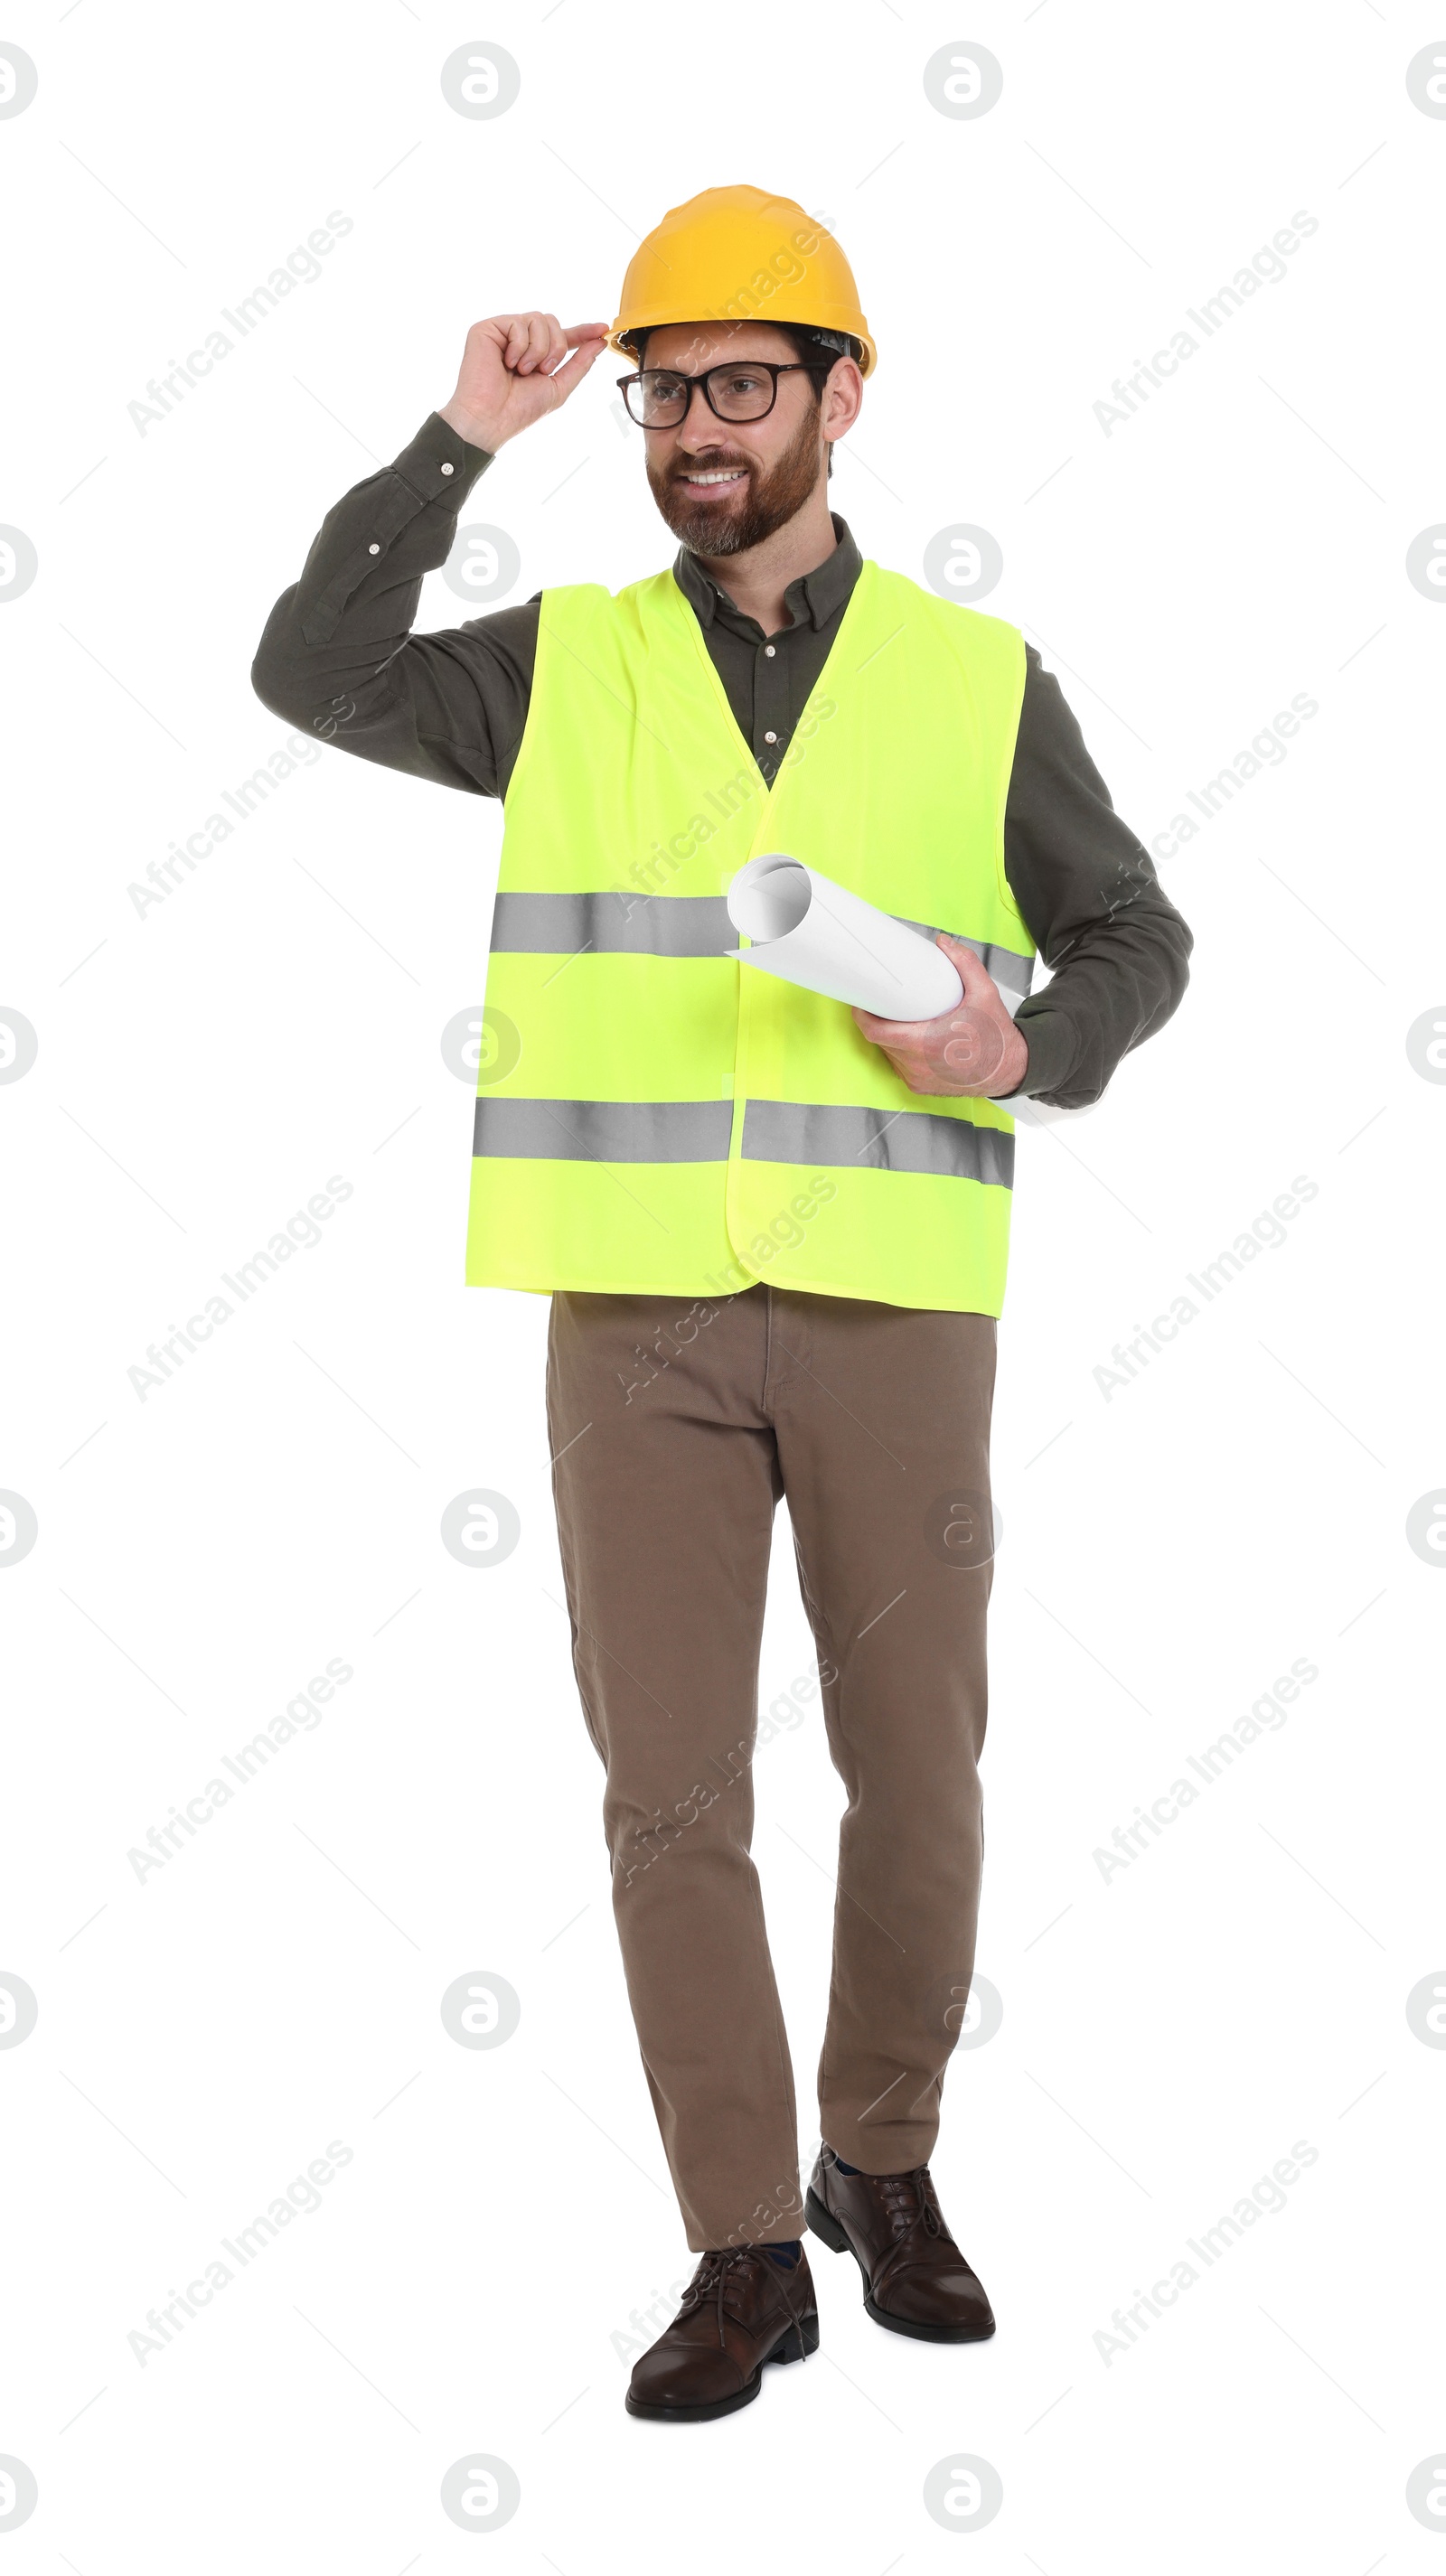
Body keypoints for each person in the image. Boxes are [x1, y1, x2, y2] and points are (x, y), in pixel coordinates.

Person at [253, 184, 1191, 2426]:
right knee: (668, 1796)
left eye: (738, 387)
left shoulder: (977, 681)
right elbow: (315, 672)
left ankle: (881, 2161)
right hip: (636, 1318)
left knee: (917, 1780)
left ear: (840, 400)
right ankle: (739, 2242)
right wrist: (454, 442)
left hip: (889, 1301)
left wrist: (1024, 1043)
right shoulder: (558, 660)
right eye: (667, 391)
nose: (692, 428)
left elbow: (1136, 937)